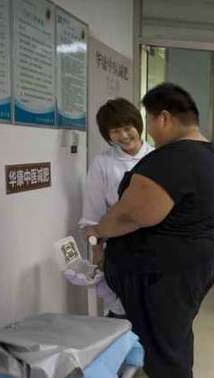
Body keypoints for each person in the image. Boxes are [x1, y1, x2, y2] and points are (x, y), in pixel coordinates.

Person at [84, 83, 214, 378]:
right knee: (174, 332)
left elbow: (136, 215)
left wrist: (99, 232)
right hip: (192, 259)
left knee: (163, 336)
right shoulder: (207, 153)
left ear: (164, 117)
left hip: (166, 270)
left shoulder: (172, 158)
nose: (147, 128)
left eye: (148, 118)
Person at [79, 98, 154, 318]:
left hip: (157, 245)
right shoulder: (102, 163)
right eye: (115, 131)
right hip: (120, 248)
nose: (123, 136)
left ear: (137, 126)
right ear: (107, 134)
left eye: (127, 128)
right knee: (122, 314)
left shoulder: (158, 157)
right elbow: (92, 217)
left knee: (154, 315)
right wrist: (97, 254)